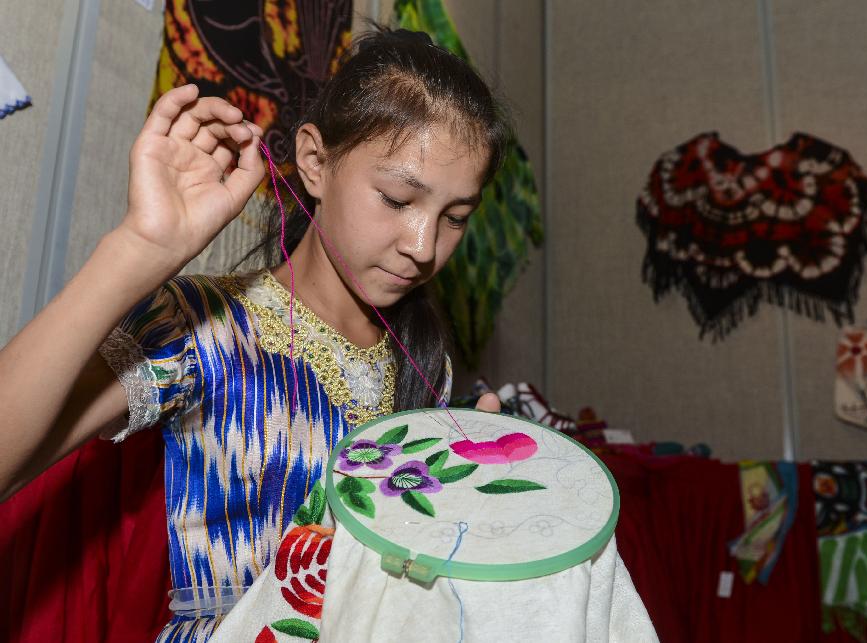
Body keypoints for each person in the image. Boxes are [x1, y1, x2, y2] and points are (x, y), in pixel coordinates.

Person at [0, 27, 504, 641]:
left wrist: (471, 502)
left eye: (454, 218)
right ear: (315, 162)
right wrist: (139, 249)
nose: (424, 247)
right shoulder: (198, 326)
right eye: (398, 199)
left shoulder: (428, 369)